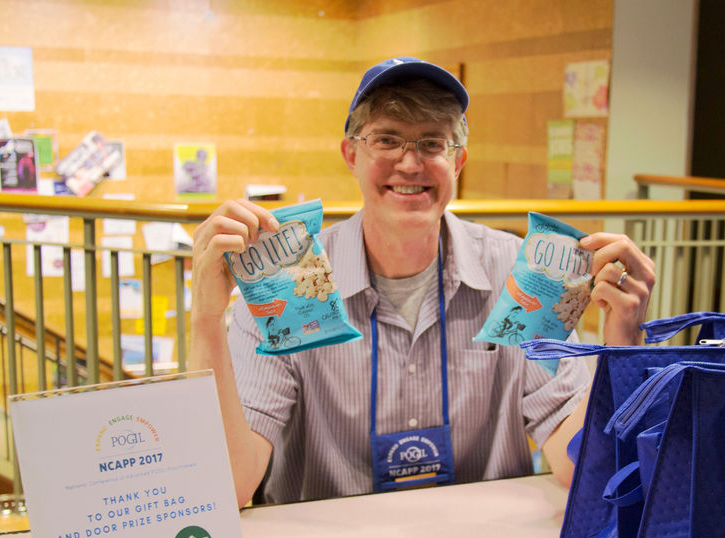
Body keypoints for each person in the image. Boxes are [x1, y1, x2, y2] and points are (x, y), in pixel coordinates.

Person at [189, 57, 655, 506]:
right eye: (387, 140)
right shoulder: (287, 280)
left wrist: (622, 349)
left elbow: (580, 465)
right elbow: (232, 484)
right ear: (351, 154)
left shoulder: (517, 273)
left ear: (459, 161)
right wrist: (207, 317)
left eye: (433, 143)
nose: (410, 164)